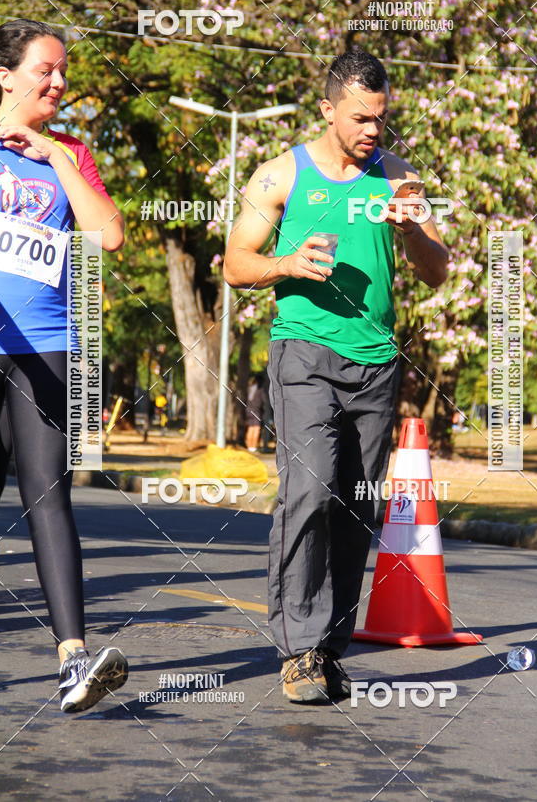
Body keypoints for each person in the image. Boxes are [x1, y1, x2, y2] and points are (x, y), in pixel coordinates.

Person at [224, 46, 448, 703]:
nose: (371, 131)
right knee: (309, 492)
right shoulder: (281, 176)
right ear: (327, 110)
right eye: (358, 118)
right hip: (303, 354)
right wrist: (289, 264)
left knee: (356, 506)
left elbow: (438, 270)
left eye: (380, 118)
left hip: (376, 362)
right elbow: (236, 263)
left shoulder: (399, 179)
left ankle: (328, 650)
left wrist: (411, 234)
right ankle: (297, 650)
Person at [0, 18, 129, 712]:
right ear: (5, 75)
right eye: (46, 69)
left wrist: (56, 158)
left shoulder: (69, 152)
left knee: (48, 493)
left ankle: (75, 660)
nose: (59, 81)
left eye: (64, 71)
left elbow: (107, 233)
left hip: (46, 343)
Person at [245, 374, 265, 452]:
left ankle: (249, 446)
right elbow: (264, 400)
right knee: (256, 428)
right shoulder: (260, 390)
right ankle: (253, 446)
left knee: (250, 428)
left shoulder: (250, 388)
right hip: (256, 411)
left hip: (248, 410)